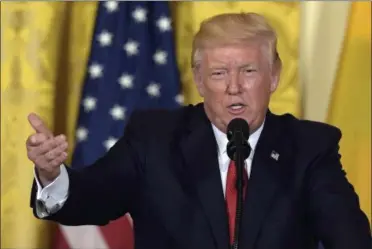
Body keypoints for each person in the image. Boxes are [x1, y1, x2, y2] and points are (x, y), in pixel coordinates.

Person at [27, 12, 371, 249]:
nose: (233, 87)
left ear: (275, 77)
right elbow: (92, 200)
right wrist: (51, 173)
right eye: (219, 73)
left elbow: (350, 239)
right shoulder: (155, 139)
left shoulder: (309, 147)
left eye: (249, 71)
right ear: (200, 80)